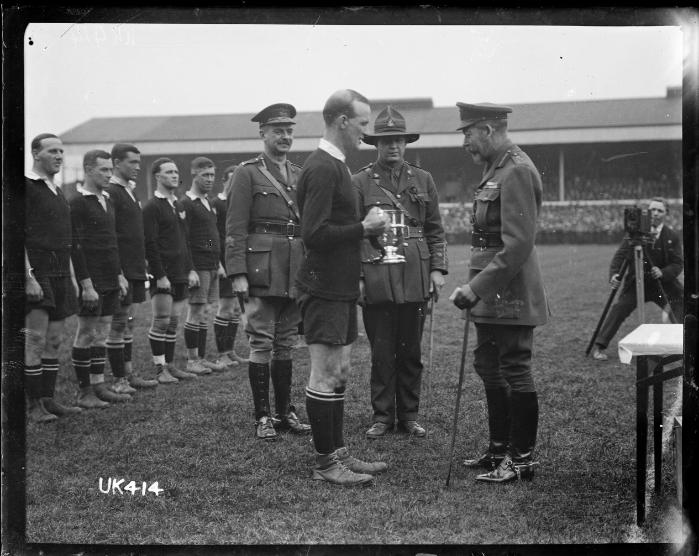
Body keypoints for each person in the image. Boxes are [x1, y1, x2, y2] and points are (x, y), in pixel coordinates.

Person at [295, 89, 391, 486]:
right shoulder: (321, 167)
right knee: (326, 373)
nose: (366, 133)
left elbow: (335, 227)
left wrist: (367, 232)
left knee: (341, 372)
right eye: (363, 123)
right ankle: (325, 464)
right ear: (341, 121)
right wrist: (363, 227)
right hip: (323, 289)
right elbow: (313, 234)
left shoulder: (335, 166)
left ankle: (338, 454)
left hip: (341, 287)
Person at [449, 103, 548, 483]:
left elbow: (518, 244)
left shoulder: (518, 170)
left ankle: (521, 460)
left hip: (511, 291)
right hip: (491, 291)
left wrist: (476, 288)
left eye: (468, 134)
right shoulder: (496, 168)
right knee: (489, 367)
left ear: (487, 130)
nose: (465, 144)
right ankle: (498, 450)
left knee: (515, 369)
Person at [352, 106, 448, 439]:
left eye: (399, 140)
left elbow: (435, 229)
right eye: (387, 141)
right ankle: (382, 416)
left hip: (415, 272)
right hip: (377, 272)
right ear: (375, 144)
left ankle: (408, 415)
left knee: (410, 351)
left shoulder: (423, 179)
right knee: (381, 351)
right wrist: (360, 277)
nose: (394, 146)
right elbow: (356, 232)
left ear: (406, 143)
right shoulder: (360, 181)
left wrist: (438, 269)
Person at [225, 103, 310, 440]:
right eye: (278, 131)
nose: (285, 136)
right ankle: (262, 416)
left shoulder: (301, 174)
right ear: (263, 134)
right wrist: (237, 273)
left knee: (286, 341)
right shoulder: (247, 173)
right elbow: (234, 227)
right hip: (260, 267)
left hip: (294, 268)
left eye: (289, 130)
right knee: (261, 341)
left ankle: (285, 411)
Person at [24, 133, 82, 422]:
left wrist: (71, 276)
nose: (59, 156)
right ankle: (33, 405)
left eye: (61, 151)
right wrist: (27, 276)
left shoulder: (57, 190)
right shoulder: (24, 187)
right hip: (36, 271)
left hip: (60, 273)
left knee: (55, 340)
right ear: (36, 153)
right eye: (52, 151)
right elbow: (12, 237)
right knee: (34, 339)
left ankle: (48, 399)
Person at [69, 150, 130, 407]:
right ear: (88, 169)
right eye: (103, 170)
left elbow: (112, 242)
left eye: (109, 169)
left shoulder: (108, 199)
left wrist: (119, 274)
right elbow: (75, 246)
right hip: (90, 280)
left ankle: (98, 385)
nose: (108, 174)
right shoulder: (76, 203)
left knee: (102, 332)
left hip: (110, 277)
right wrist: (86, 284)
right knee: (86, 332)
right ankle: (84, 392)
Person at [591, 197, 683, 361]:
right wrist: (614, 274)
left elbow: (677, 263)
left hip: (663, 284)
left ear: (666, 214)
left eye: (660, 210)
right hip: (637, 282)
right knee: (619, 309)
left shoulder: (672, 236)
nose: (655, 213)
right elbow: (620, 256)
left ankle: (686, 345)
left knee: (679, 307)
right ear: (647, 212)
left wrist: (664, 272)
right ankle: (599, 345)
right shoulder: (635, 233)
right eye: (652, 209)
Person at [142, 158, 199, 384]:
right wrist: (160, 275)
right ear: (157, 176)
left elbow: (185, 241)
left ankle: (171, 365)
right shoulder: (151, 207)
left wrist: (191, 269)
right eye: (169, 172)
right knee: (162, 320)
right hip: (163, 275)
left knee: (174, 322)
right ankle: (159, 369)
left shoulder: (178, 205)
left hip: (180, 273)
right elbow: (150, 244)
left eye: (176, 171)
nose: (174, 175)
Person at [106, 143, 158, 390]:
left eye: (139, 162)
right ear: (116, 163)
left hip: (135, 267)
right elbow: (112, 234)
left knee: (129, 321)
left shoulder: (130, 191)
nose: (138, 167)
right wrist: (118, 272)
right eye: (133, 163)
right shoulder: (112, 192)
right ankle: (118, 380)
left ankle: (128, 374)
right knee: (119, 322)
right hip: (122, 269)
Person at [180, 157, 228, 374]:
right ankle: (192, 360)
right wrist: (190, 268)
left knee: (206, 312)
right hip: (198, 266)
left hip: (211, 264)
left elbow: (212, 235)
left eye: (212, 175)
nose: (210, 179)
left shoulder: (208, 202)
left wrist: (218, 262)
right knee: (196, 311)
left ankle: (200, 357)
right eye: (205, 175)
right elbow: (185, 239)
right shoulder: (186, 203)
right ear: (194, 175)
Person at [212, 165, 247, 368]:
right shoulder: (216, 203)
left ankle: (230, 351)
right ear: (224, 181)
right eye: (231, 180)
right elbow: (212, 237)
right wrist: (217, 261)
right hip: (223, 262)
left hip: (236, 261)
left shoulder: (238, 203)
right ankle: (221, 353)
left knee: (234, 308)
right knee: (225, 307)